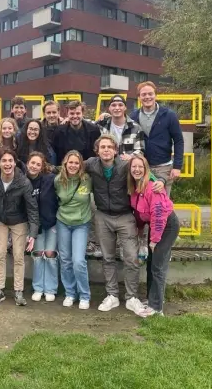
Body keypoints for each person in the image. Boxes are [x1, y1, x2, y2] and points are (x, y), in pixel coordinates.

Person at [84, 135, 164, 316]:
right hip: (103, 216)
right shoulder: (91, 164)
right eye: (102, 147)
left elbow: (143, 171)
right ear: (97, 150)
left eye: (109, 147)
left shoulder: (125, 165)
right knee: (108, 258)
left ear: (115, 150)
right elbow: (69, 166)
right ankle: (112, 294)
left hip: (125, 216)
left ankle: (131, 297)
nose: (105, 150)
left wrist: (161, 181)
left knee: (131, 258)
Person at [0, 149, 39, 306]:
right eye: (4, 161)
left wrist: (33, 234)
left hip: (19, 221)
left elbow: (32, 209)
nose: (7, 164)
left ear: (15, 163)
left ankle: (18, 291)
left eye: (10, 160)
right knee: (0, 253)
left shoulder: (24, 182)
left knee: (18, 255)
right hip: (1, 220)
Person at [128, 154, 179, 317]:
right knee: (151, 263)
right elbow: (140, 214)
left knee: (158, 265)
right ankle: (152, 299)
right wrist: (142, 237)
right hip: (156, 227)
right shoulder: (135, 188)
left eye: (140, 167)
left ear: (146, 170)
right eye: (133, 167)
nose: (136, 170)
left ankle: (157, 307)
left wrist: (154, 240)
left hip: (167, 226)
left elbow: (158, 215)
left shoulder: (152, 187)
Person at [129, 81, 184, 195]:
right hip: (141, 168)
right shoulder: (133, 116)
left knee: (161, 207)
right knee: (141, 204)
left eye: (150, 94)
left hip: (163, 168)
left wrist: (177, 166)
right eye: (143, 94)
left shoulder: (169, 115)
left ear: (155, 95)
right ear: (139, 97)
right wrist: (106, 116)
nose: (147, 97)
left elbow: (178, 141)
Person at [55, 150, 93, 310]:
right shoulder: (58, 180)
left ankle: (84, 295)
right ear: (65, 163)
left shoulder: (87, 180)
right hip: (63, 221)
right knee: (65, 260)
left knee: (78, 261)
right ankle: (70, 293)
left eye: (76, 163)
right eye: (70, 162)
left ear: (81, 165)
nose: (73, 165)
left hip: (81, 223)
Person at [26, 151, 59, 302]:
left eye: (38, 164)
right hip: (35, 226)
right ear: (27, 163)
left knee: (50, 255)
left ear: (42, 166)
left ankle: (51, 288)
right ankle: (38, 287)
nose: (34, 166)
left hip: (51, 223)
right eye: (32, 163)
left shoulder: (50, 179)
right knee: (38, 255)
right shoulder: (23, 181)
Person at [96, 95, 144, 159]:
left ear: (125, 108)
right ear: (109, 108)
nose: (117, 108)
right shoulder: (102, 125)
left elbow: (140, 151)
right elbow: (87, 125)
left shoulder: (135, 128)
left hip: (126, 166)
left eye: (120, 105)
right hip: (107, 165)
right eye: (113, 105)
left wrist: (131, 157)